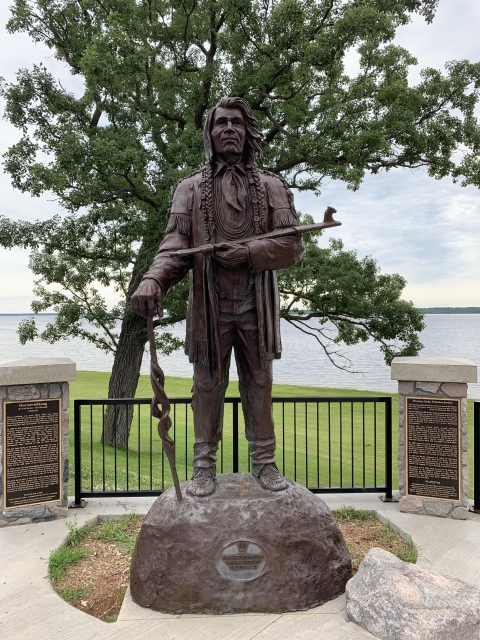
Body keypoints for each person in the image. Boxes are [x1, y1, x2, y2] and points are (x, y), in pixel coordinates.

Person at [132, 97, 304, 496]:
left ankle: (264, 463)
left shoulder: (273, 187)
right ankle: (203, 466)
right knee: (207, 385)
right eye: (220, 123)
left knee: (259, 382)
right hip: (209, 307)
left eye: (237, 124)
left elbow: (293, 247)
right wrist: (154, 280)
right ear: (209, 134)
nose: (229, 129)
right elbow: (174, 245)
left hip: (255, 305)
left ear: (248, 133)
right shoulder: (189, 189)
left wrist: (249, 252)